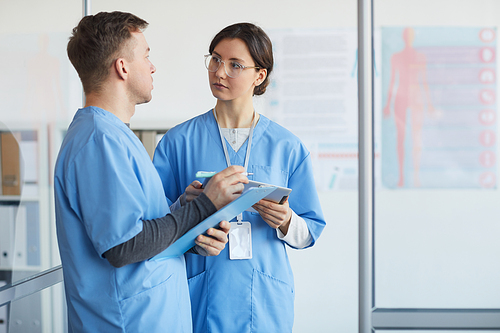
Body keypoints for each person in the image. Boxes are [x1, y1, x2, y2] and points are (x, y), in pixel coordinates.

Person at [54, 12, 248, 333]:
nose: (153, 66)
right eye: (146, 55)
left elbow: (141, 228)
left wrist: (187, 213)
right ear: (123, 67)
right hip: (125, 322)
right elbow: (122, 246)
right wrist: (204, 206)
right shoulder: (98, 140)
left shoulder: (115, 136)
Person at [153, 22, 326, 333]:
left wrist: (286, 219)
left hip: (264, 298)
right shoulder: (177, 142)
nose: (220, 72)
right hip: (201, 291)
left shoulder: (287, 146)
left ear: (259, 76)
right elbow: (153, 225)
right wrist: (185, 203)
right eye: (216, 59)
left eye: (235, 65)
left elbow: (310, 232)